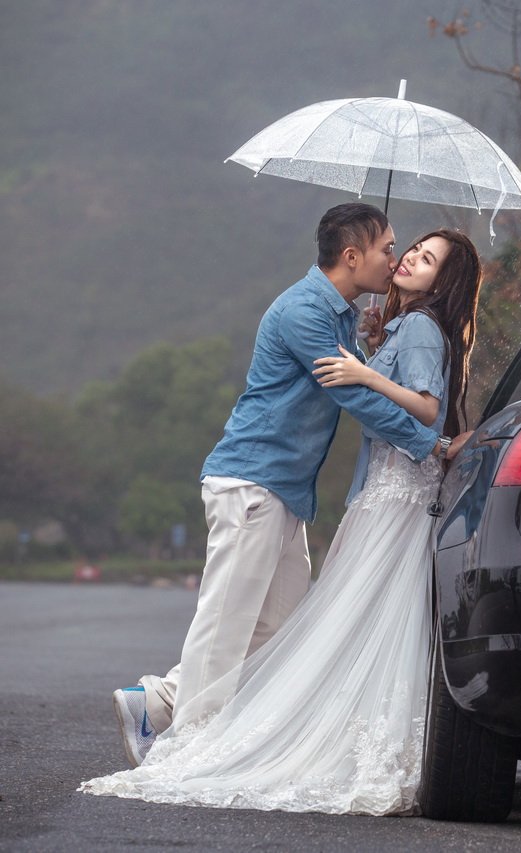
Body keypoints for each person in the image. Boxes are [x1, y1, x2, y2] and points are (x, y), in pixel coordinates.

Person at [79, 226, 482, 814]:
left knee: (285, 629)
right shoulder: (306, 313)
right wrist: (433, 440)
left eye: (418, 255)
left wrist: (373, 353)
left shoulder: (351, 317)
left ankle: (160, 700)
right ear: (353, 255)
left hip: (288, 493)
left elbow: (399, 388)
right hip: (255, 480)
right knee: (226, 622)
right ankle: (185, 739)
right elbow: (360, 399)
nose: (398, 259)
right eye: (393, 249)